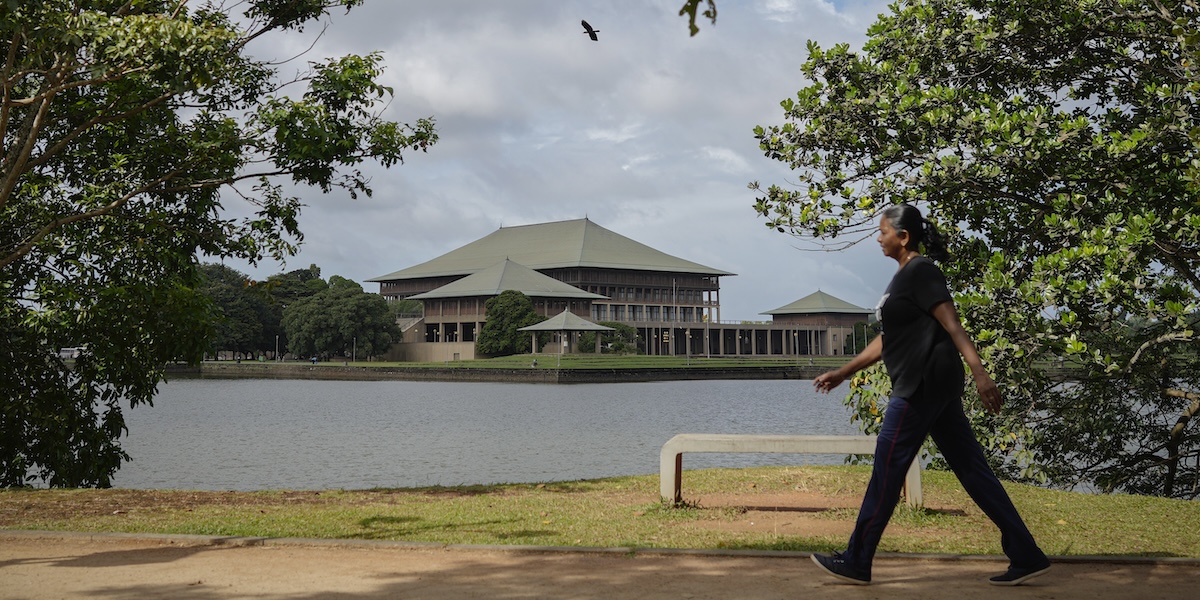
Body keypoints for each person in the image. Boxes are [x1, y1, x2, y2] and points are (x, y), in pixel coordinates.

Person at [810, 203, 1050, 586]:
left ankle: (857, 560)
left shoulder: (921, 272)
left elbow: (952, 324)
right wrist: (843, 372)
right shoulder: (904, 277)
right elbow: (889, 340)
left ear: (903, 237)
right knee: (972, 469)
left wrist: (981, 373)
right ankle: (1026, 553)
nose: (878, 238)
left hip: (919, 388)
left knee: (886, 471)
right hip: (932, 388)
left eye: (883, 231)